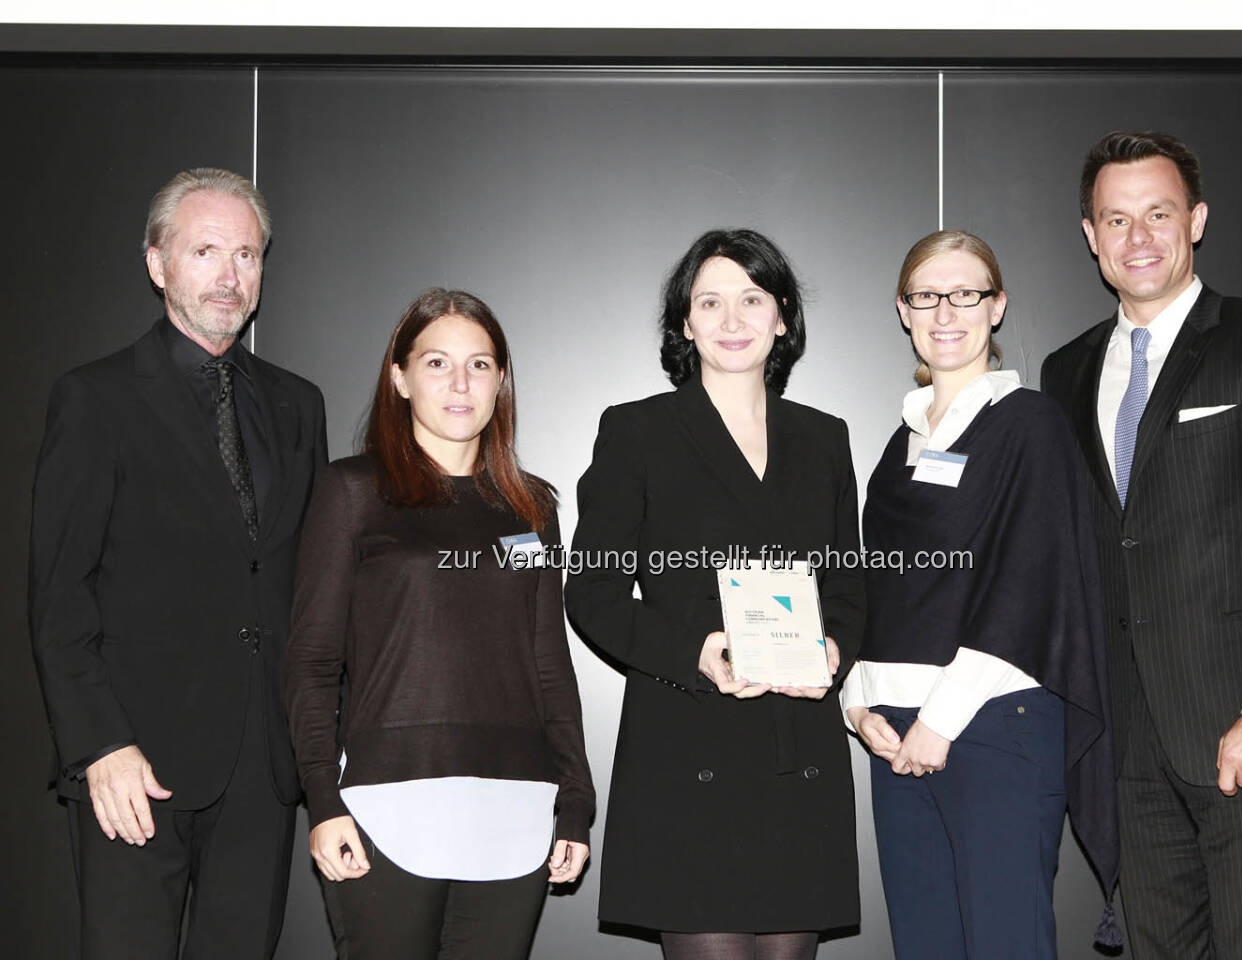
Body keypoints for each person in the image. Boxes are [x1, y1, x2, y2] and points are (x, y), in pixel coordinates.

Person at [1040, 131, 1242, 958]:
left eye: (1158, 213)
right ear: (1090, 235)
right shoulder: (1064, 371)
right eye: (1116, 219)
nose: (1137, 238)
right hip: (1126, 744)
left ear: (1198, 219)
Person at [28, 168, 328, 959]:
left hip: (264, 767)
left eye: (247, 255)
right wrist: (97, 745)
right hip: (136, 767)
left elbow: (303, 586)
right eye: (205, 251)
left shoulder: (300, 405)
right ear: (157, 264)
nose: (230, 276)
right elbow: (60, 595)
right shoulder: (95, 399)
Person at [564, 228, 865, 960]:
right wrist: (692, 650)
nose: (733, 321)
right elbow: (594, 592)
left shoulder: (824, 438)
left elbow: (850, 586)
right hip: (686, 743)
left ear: (783, 316)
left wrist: (833, 646)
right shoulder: (637, 430)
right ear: (686, 323)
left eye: (752, 299)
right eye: (711, 302)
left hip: (798, 750)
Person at [285, 289, 595, 960]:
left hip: (515, 808)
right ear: (398, 376)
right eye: (436, 363)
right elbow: (311, 664)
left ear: (501, 381)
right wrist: (323, 800)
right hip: (386, 807)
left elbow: (548, 663)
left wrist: (576, 799)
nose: (461, 383)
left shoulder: (531, 507)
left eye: (480, 365)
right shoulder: (352, 492)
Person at [841, 230, 1119, 959]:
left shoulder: (1030, 423)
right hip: (896, 730)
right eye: (927, 296)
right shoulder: (898, 443)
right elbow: (880, 585)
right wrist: (859, 702)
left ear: (997, 307)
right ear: (903, 310)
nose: (945, 312)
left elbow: (1029, 582)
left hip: (993, 723)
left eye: (965, 294)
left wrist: (942, 716)